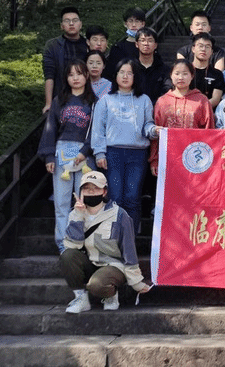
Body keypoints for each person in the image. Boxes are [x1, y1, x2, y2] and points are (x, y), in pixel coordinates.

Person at [60, 171, 150, 313]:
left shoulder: (119, 214)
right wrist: (78, 216)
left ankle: (110, 295)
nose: (91, 192)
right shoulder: (75, 213)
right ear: (80, 191)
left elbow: (129, 250)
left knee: (97, 285)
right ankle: (81, 298)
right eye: (86, 188)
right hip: (90, 262)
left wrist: (136, 282)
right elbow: (72, 246)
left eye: (96, 188)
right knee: (67, 255)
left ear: (104, 191)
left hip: (113, 266)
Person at [91, 59, 158, 233]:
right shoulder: (106, 100)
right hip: (113, 154)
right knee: (115, 197)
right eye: (122, 72)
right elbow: (98, 129)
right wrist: (99, 153)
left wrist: (154, 131)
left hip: (137, 154)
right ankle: (113, 238)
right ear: (116, 75)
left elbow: (148, 124)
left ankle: (130, 238)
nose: (125, 76)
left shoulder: (144, 100)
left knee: (132, 197)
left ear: (135, 76)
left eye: (129, 73)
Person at [38, 60, 97, 254]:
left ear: (86, 76)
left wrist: (85, 151)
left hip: (85, 156)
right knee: (62, 202)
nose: (75, 78)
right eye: (71, 75)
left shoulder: (94, 102)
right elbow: (50, 129)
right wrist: (49, 156)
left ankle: (83, 244)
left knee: (85, 201)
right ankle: (63, 245)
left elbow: (97, 131)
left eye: (79, 74)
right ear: (66, 78)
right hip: (62, 153)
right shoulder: (59, 101)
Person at [150, 60, 214, 176]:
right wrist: (154, 159)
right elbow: (156, 133)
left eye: (185, 74)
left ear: (192, 76)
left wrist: (207, 159)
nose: (180, 77)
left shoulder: (202, 101)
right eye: (177, 73)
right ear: (171, 75)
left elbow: (209, 131)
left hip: (195, 157)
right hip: (168, 156)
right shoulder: (162, 101)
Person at [42, 6, 88, 113]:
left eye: (75, 20)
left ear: (80, 24)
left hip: (85, 98)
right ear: (62, 26)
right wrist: (48, 103)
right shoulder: (53, 45)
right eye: (67, 21)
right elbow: (49, 76)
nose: (71, 24)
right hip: (61, 97)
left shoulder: (88, 45)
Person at [103, 7, 145, 80]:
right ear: (125, 24)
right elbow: (110, 72)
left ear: (143, 24)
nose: (134, 25)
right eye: (130, 21)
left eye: (137, 21)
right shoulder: (117, 48)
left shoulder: (147, 47)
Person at [134, 27, 171, 105]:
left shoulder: (165, 70)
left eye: (150, 41)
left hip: (157, 107)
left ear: (155, 45)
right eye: (142, 40)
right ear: (136, 44)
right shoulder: (130, 67)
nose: (146, 44)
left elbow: (166, 91)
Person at [188, 32, 225, 108]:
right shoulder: (185, 71)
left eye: (207, 47)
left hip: (207, 111)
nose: (203, 49)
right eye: (200, 46)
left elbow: (216, 99)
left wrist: (199, 108)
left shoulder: (217, 74)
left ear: (211, 52)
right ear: (193, 49)